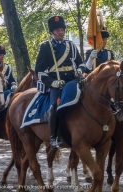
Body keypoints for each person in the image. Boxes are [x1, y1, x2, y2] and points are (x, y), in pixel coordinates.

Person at [35, 16, 85, 150]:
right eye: (57, 30)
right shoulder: (46, 47)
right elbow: (39, 70)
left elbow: (81, 63)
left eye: (62, 29)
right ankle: (53, 138)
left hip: (72, 80)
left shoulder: (71, 45)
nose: (61, 32)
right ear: (52, 32)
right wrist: (52, 82)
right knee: (53, 106)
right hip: (56, 82)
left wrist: (80, 70)